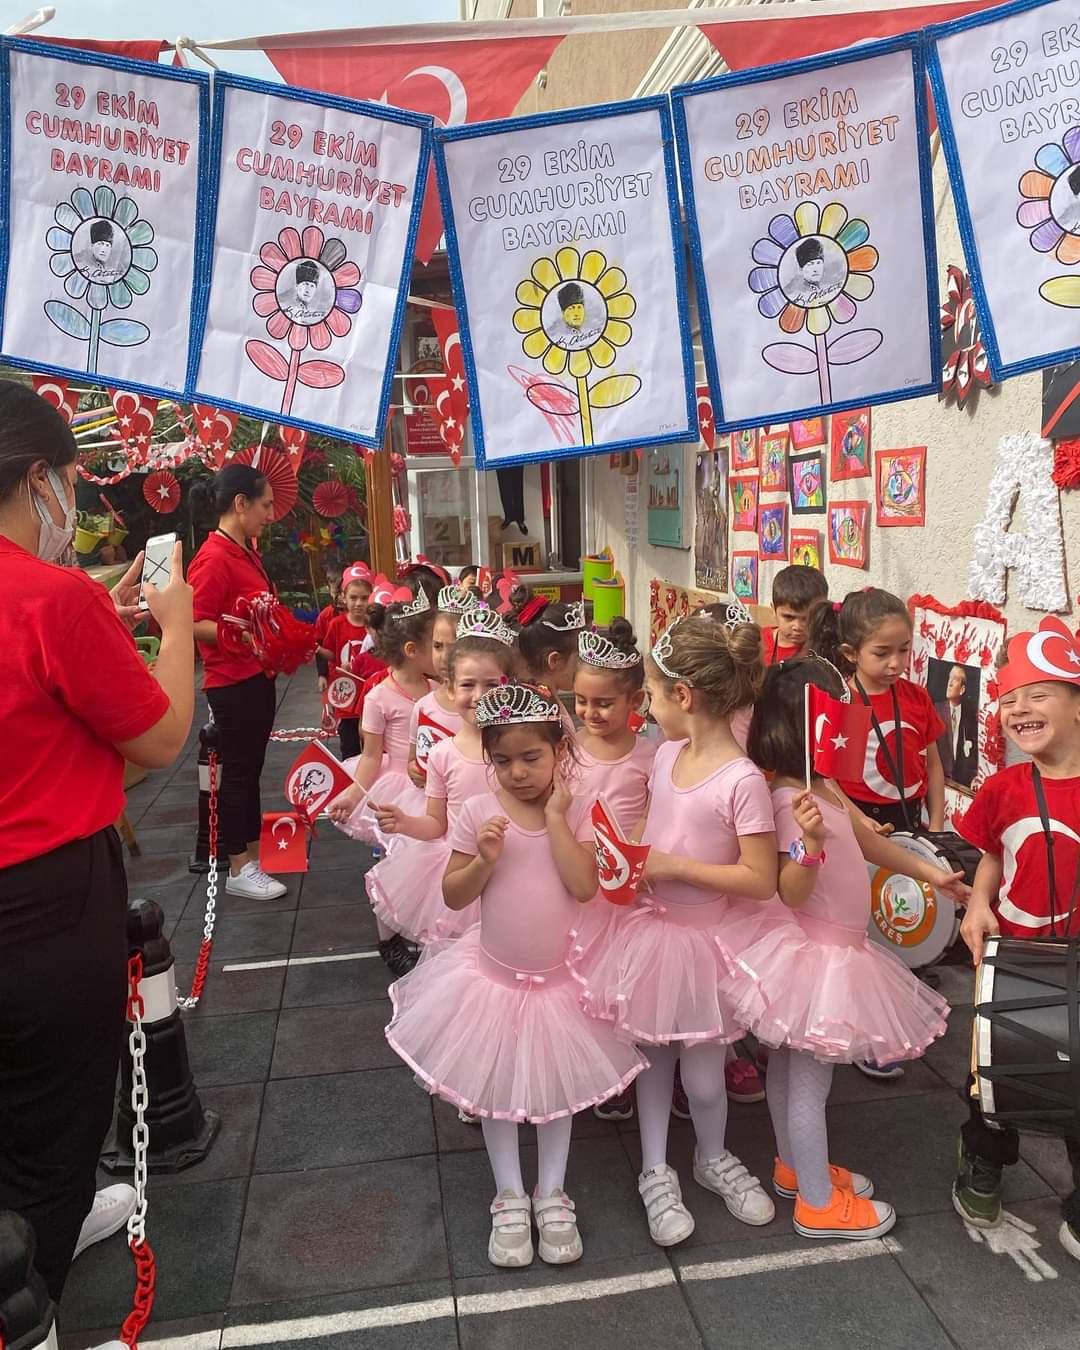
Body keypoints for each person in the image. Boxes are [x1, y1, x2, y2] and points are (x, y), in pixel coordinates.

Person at [0, 381, 193, 1320]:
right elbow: (159, 734)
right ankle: (33, 1291)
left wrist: (103, 617)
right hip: (42, 899)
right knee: (55, 1118)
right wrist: (178, 627)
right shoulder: (52, 596)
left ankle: (50, 1219)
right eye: (71, 482)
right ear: (40, 479)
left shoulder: (69, 603)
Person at [385, 683, 646, 1268]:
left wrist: (557, 819)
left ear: (560, 751)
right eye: (502, 761)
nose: (517, 772)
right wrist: (483, 859)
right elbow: (454, 897)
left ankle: (551, 1191)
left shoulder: (576, 810)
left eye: (531, 758)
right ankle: (508, 1193)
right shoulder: (478, 813)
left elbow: (584, 886)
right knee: (498, 1093)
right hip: (492, 983)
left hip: (561, 985)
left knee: (556, 1095)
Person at [727, 658, 958, 1239]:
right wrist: (808, 843)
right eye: (837, 707)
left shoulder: (818, 784)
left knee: (790, 1069)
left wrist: (932, 876)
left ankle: (794, 1167)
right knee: (810, 1081)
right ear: (808, 722)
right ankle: (817, 1202)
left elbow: (865, 843)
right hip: (817, 960)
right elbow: (789, 887)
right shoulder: (786, 799)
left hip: (831, 953)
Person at [571, 615, 779, 1246]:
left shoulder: (741, 779)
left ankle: (710, 1156)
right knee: (653, 1062)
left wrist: (670, 865)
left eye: (655, 696)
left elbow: (760, 878)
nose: (651, 710)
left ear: (684, 697)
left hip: (711, 943)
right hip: (655, 934)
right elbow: (655, 836)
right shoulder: (664, 756)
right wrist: (633, 858)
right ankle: (655, 1167)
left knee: (706, 1075)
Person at [953, 616, 1080, 1260]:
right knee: (991, 1077)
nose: (1018, 708)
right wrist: (978, 902)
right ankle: (984, 1162)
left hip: (1076, 965)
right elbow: (993, 859)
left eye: (1038, 693)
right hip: (1011, 960)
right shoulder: (1004, 787)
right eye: (1008, 697)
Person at [807, 588, 947, 1082]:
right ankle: (868, 1035)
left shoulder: (915, 697)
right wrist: (855, 820)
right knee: (865, 930)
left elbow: (931, 761)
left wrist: (936, 819)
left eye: (904, 650)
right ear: (850, 653)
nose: (895, 663)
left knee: (903, 918)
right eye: (882, 653)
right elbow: (825, 778)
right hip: (858, 822)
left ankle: (899, 1019)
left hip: (907, 820)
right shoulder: (841, 699)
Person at [367, 607, 517, 948]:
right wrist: (405, 822)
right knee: (460, 955)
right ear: (449, 687)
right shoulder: (443, 754)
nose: (479, 695)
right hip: (461, 866)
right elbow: (437, 824)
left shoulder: (521, 749)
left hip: (515, 866)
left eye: (491, 684)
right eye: (468, 684)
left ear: (509, 685)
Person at [188, 464, 287, 902]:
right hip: (232, 682)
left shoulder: (244, 550)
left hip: (255, 676)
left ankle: (249, 856)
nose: (270, 514)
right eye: (265, 505)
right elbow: (191, 621)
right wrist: (241, 631)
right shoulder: (213, 558)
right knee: (237, 776)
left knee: (249, 773)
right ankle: (237, 865)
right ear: (241, 504)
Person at [327, 591, 435, 975]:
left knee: (428, 863)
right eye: (435, 645)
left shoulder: (439, 688)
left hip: (433, 785)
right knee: (397, 865)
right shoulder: (379, 697)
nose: (442, 653)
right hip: (397, 790)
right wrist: (355, 793)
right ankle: (389, 939)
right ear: (412, 649)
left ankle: (424, 929)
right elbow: (371, 755)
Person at [405, 585, 478, 787]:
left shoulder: (482, 705)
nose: (445, 657)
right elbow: (413, 758)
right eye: (438, 646)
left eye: (454, 647)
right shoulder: (423, 707)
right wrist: (413, 768)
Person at [317, 563, 373, 761]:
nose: (358, 603)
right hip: (346, 693)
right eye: (353, 597)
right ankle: (351, 780)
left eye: (364, 598)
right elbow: (330, 653)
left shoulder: (375, 626)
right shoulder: (336, 624)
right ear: (343, 597)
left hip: (370, 695)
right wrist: (322, 672)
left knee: (372, 739)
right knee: (349, 743)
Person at [763, 564, 829, 665]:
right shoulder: (758, 644)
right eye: (788, 617)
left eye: (807, 618)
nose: (797, 627)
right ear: (773, 610)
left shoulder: (826, 650)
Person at [934, 663, 978, 788]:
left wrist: (975, 778)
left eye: (955, 679)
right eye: (949, 678)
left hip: (961, 785)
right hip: (938, 782)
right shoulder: (935, 710)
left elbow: (973, 756)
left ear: (962, 690)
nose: (950, 683)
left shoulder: (971, 718)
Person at [313, 562, 345, 693]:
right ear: (329, 589)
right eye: (336, 592)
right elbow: (319, 646)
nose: (341, 597)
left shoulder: (363, 614)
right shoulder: (325, 616)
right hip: (334, 673)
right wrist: (322, 674)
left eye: (342, 591)